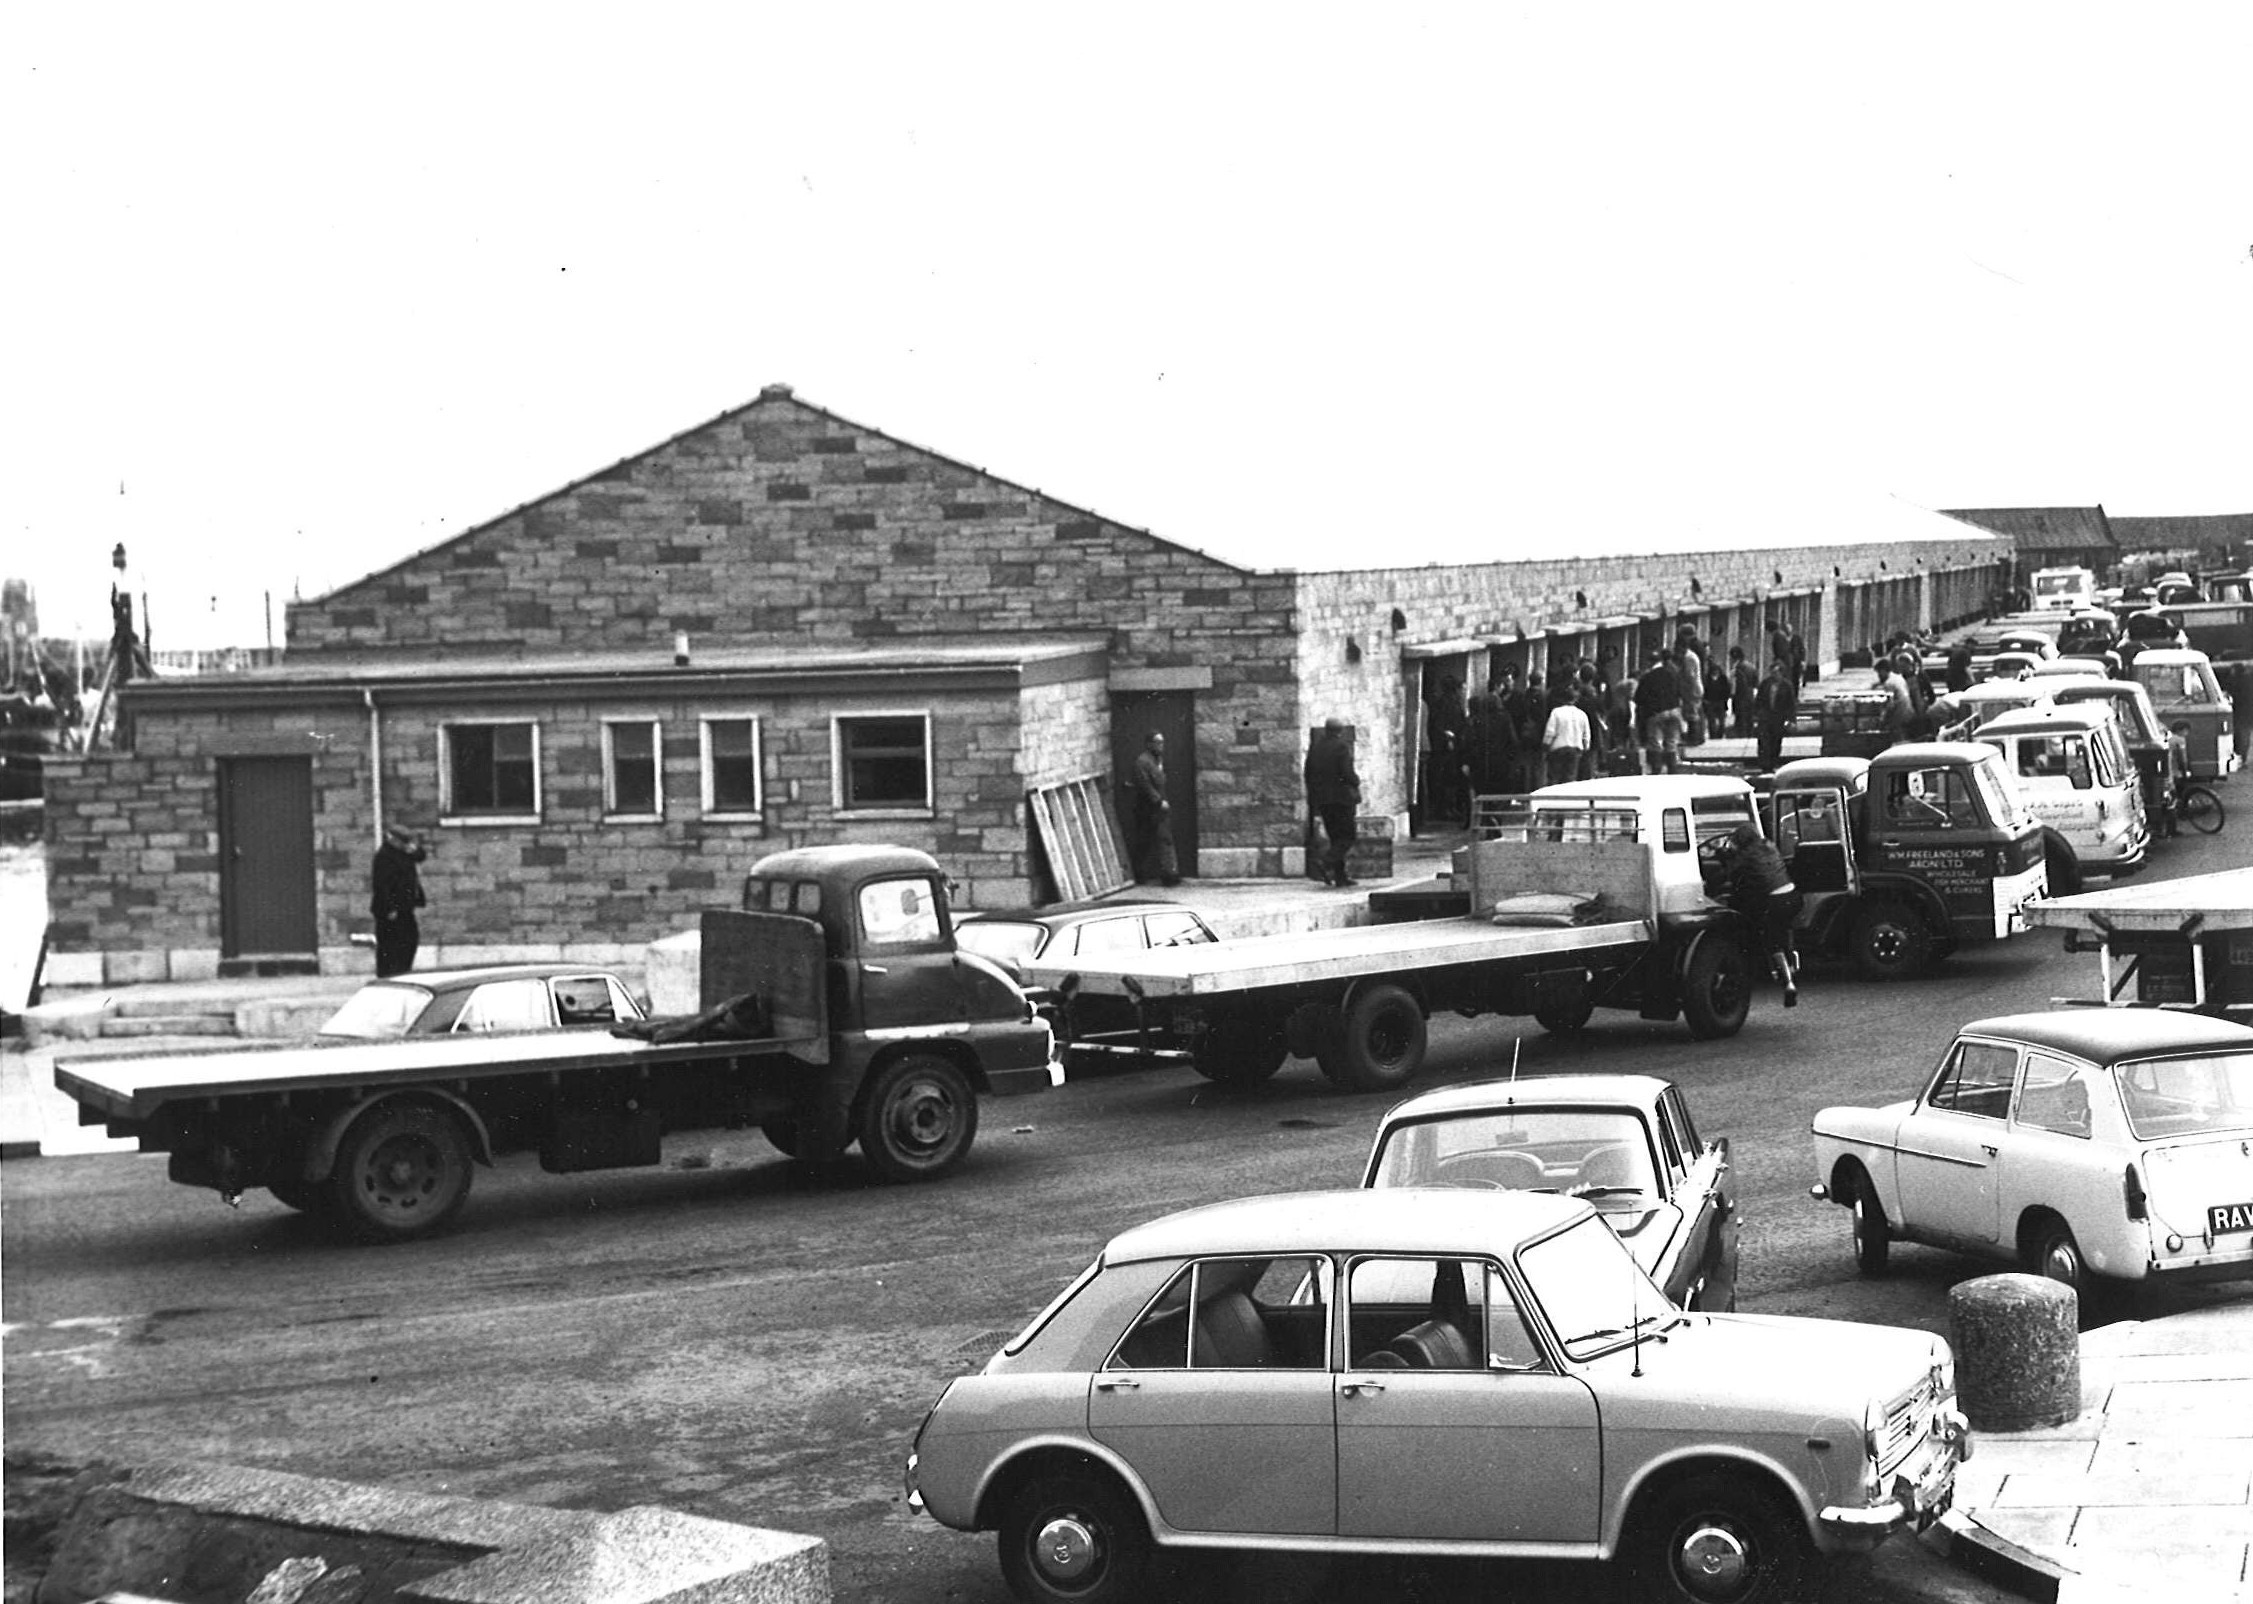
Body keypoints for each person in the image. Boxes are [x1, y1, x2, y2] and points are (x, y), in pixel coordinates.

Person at [1721, 822, 1800, 1007]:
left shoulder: (1745, 855)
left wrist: (1722, 854)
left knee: (1771, 940)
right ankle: (1792, 961)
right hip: (1792, 896)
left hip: (1775, 901)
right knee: (1782, 930)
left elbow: (1729, 872)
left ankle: (1788, 982)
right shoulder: (1770, 846)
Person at [1304, 717, 1363, 887]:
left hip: (1323, 800)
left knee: (1335, 838)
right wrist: (1356, 781)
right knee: (1347, 837)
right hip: (1342, 799)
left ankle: (1340, 876)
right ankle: (1326, 862)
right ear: (1340, 731)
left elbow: (1308, 773)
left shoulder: (1315, 747)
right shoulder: (1341, 747)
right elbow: (1346, 772)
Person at [371, 821, 429, 978]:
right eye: (402, 841)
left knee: (409, 942)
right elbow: (381, 885)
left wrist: (413, 848)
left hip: (405, 907)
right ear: (392, 839)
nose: (405, 845)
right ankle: (388, 977)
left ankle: (403, 973)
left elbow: (421, 855)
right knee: (390, 948)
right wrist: (389, 908)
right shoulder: (384, 856)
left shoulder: (404, 853)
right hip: (391, 910)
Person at [1128, 731, 1180, 886]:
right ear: (1149, 744)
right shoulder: (1142, 762)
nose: (1161, 746)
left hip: (1159, 810)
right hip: (1147, 808)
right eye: (1157, 742)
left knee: (1165, 839)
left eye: (1162, 742)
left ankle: (1170, 875)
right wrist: (1158, 801)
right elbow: (1144, 785)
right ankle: (1140, 874)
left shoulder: (1157, 760)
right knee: (1144, 841)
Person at [1635, 650, 1683, 774]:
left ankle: (1657, 771)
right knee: (1672, 742)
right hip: (1674, 711)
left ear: (1650, 662)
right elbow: (1680, 691)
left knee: (1656, 742)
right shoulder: (1672, 673)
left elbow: (1639, 698)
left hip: (1657, 713)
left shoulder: (1647, 677)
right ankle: (1673, 770)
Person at [1541, 682, 1592, 786]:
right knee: (1570, 780)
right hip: (1575, 751)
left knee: (1554, 779)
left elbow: (1550, 732)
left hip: (1558, 750)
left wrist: (1545, 746)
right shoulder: (1582, 714)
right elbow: (1586, 736)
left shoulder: (1556, 712)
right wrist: (1585, 748)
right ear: (1575, 699)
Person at [1754, 656, 1798, 769]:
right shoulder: (1765, 684)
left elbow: (1791, 704)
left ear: (1781, 673)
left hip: (1779, 718)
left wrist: (1791, 719)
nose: (1774, 675)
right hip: (1765, 718)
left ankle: (1773, 763)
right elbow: (1759, 700)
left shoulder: (1787, 686)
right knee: (1764, 742)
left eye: (1777, 672)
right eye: (1772, 672)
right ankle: (1764, 765)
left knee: (1775, 742)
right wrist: (1756, 715)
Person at [1729, 646, 1758, 737]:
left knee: (1740, 718)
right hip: (1749, 695)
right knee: (1749, 718)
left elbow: (1733, 684)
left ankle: (1742, 736)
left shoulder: (1736, 669)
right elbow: (1756, 682)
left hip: (1739, 696)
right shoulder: (1751, 666)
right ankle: (1749, 735)